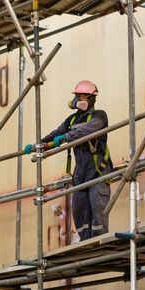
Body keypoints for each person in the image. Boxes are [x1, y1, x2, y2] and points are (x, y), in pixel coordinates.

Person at [25, 80, 112, 242]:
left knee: (98, 209)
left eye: (82, 96)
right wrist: (39, 144)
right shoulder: (71, 121)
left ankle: (99, 242)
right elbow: (55, 134)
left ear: (91, 99)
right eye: (77, 96)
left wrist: (66, 137)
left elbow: (87, 131)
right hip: (80, 173)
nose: (78, 100)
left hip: (98, 171)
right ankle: (85, 242)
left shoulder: (99, 116)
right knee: (79, 210)